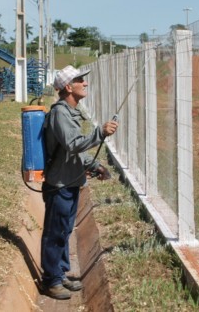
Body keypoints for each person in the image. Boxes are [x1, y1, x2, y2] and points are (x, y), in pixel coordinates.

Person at [40, 65, 119, 300]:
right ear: (68, 87)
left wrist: (95, 166)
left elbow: (73, 152)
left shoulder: (71, 112)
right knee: (55, 233)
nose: (85, 84)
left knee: (64, 231)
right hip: (59, 184)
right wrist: (100, 132)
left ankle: (60, 273)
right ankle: (51, 281)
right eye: (80, 80)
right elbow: (74, 144)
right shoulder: (60, 113)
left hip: (71, 181)